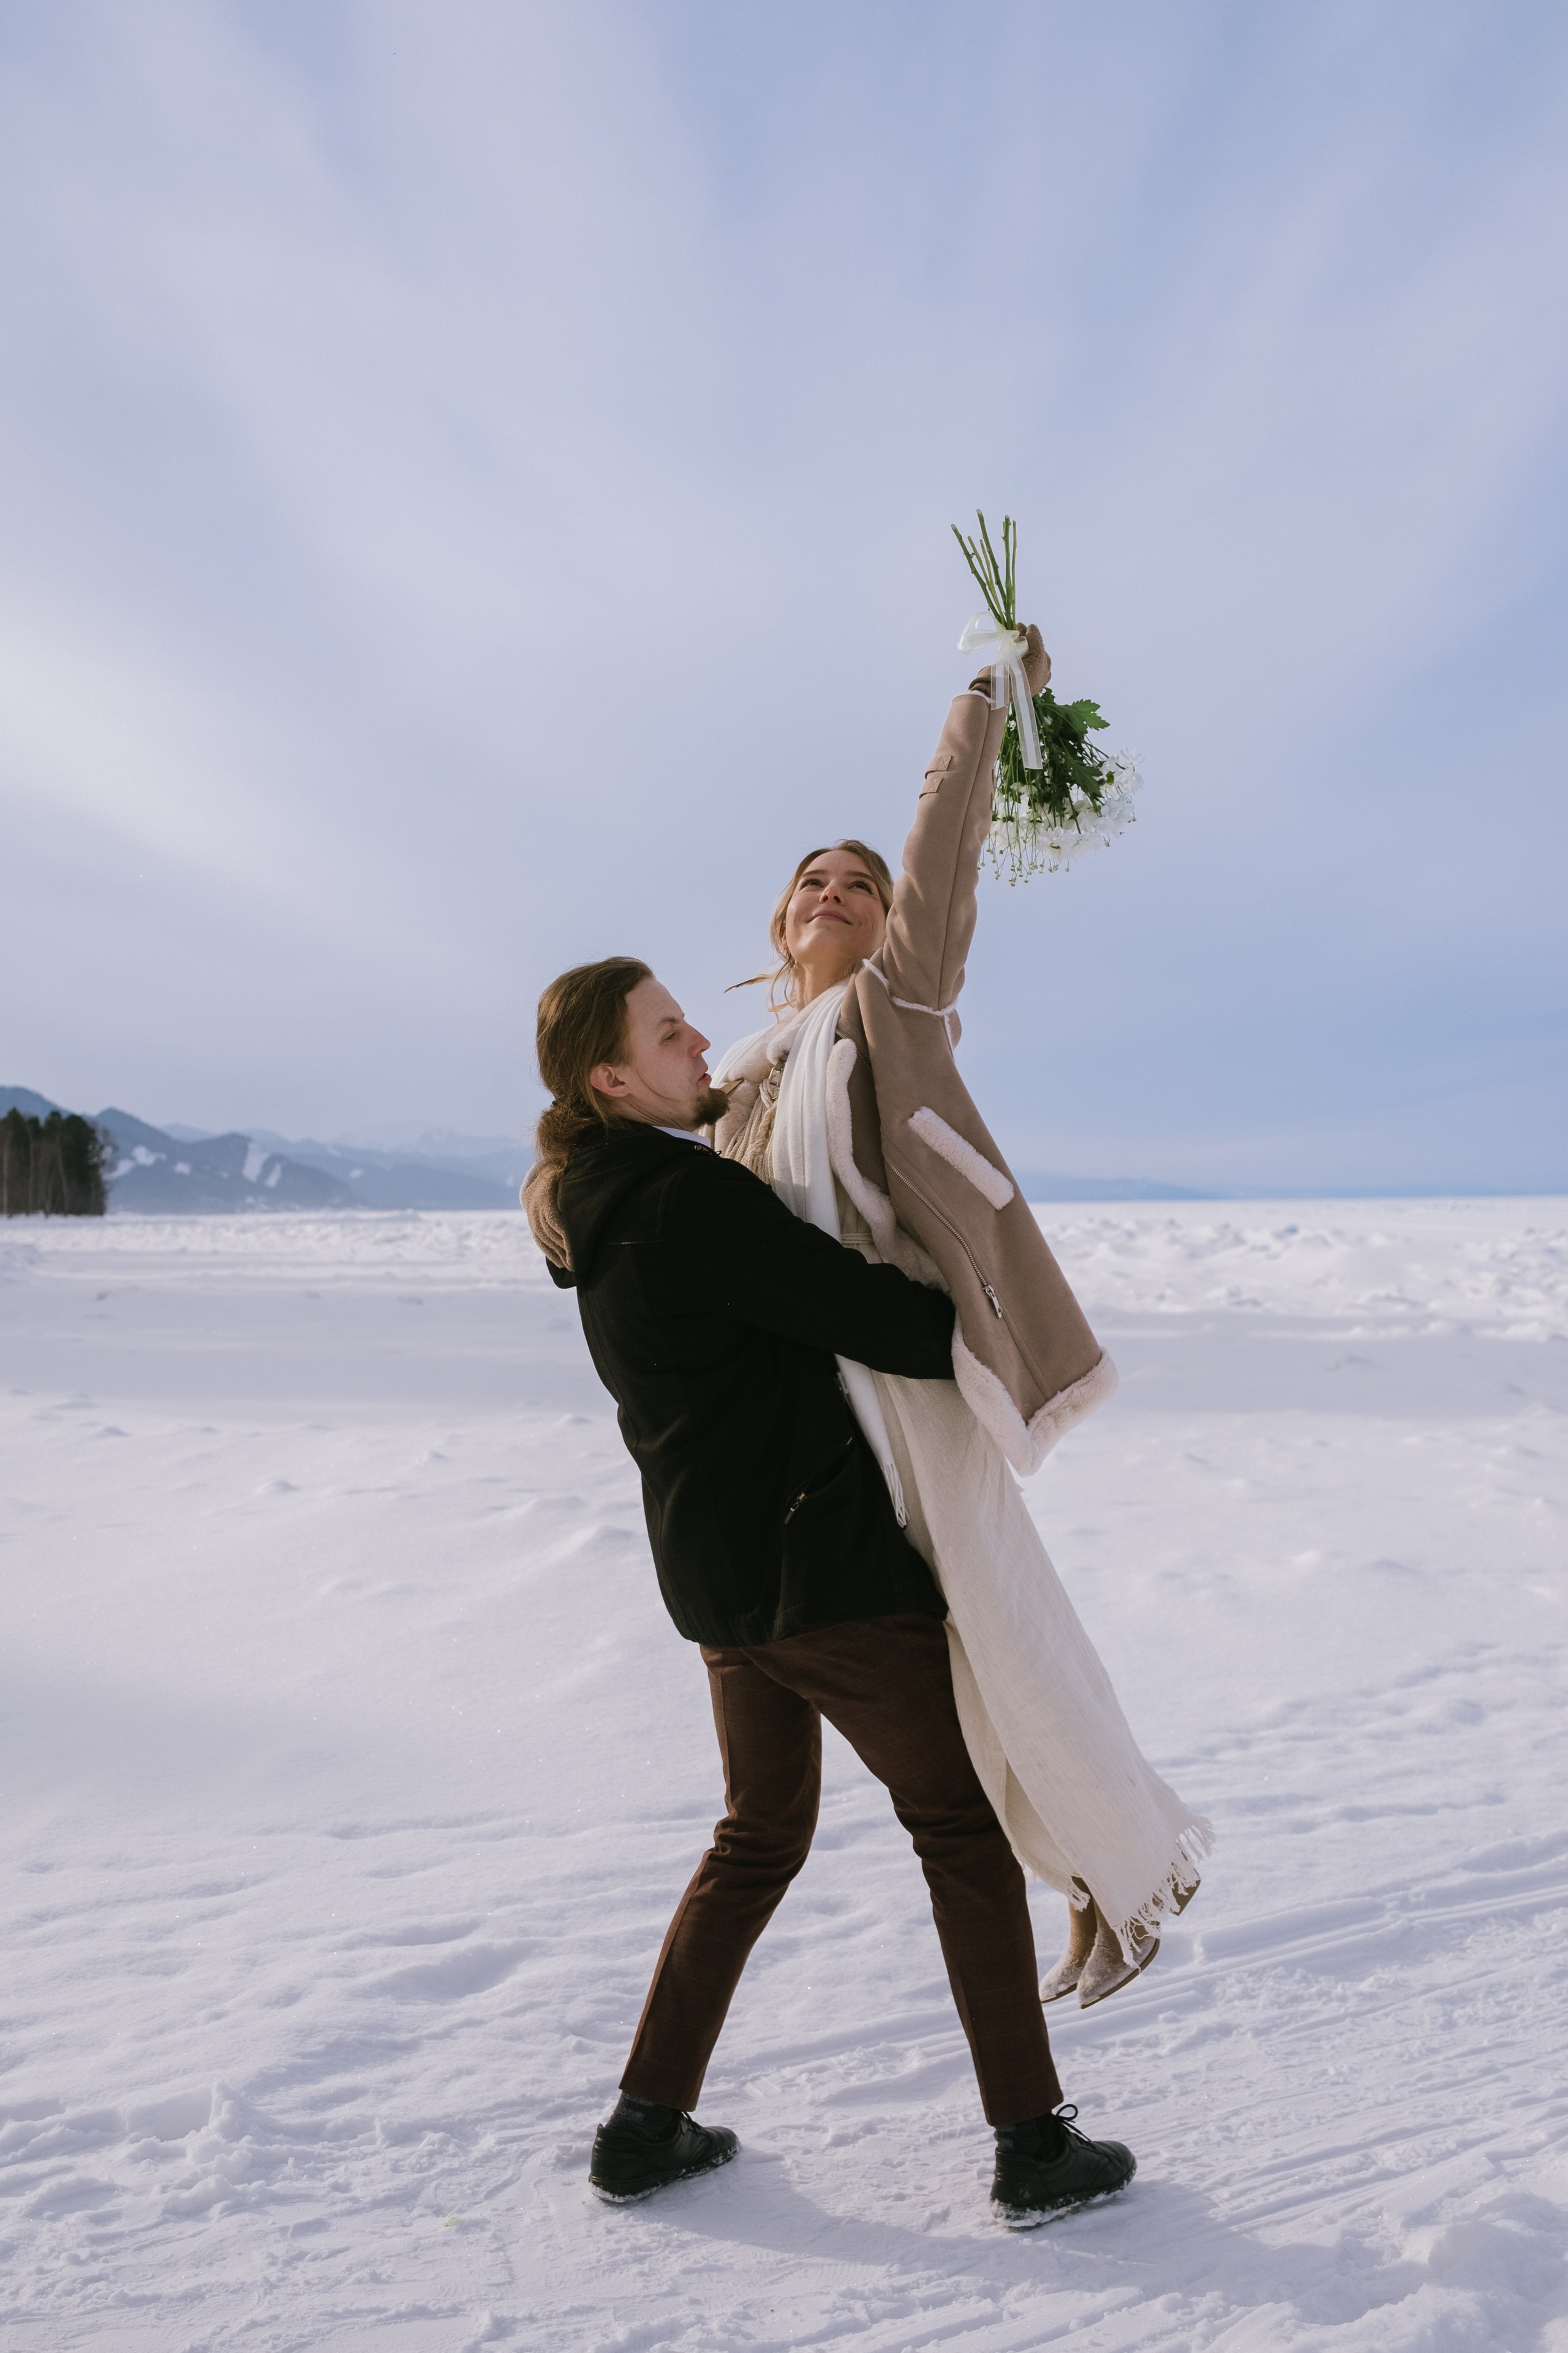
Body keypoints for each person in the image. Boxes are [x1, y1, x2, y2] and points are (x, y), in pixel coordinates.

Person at [524, 954, 1137, 2221]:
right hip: (820, 1573)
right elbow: (874, 1317)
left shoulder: (594, 1201)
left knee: (758, 1836)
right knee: (960, 1828)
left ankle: (645, 2124)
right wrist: (994, 1301)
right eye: (668, 1032)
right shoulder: (685, 1198)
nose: (700, 1042)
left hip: (718, 1583)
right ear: (611, 1078)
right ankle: (1033, 2145)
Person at [712, 623, 1211, 2012]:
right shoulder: (739, 1073)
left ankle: (1122, 1871)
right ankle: (1085, 1865)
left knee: (999, 1621)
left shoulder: (894, 1011)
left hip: (913, 1380)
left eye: (860, 885)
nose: (835, 893)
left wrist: (983, 701)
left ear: (888, 922)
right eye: (812, 881)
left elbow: (942, 856)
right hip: (810, 1407)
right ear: (779, 920)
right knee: (936, 1662)